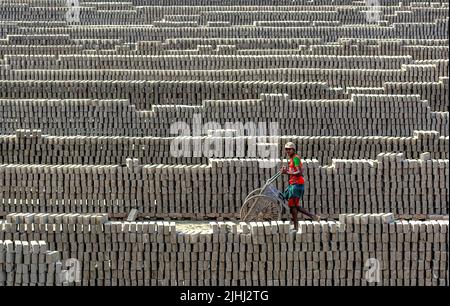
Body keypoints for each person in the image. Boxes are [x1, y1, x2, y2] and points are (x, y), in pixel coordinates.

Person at [281, 142, 320, 230]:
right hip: (293, 184)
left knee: (294, 206)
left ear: (293, 150)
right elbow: (293, 170)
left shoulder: (296, 159)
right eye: (286, 149)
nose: (287, 151)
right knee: (293, 206)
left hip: (297, 184)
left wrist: (286, 172)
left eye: (289, 149)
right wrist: (286, 169)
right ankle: (302, 222)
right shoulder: (292, 159)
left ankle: (311, 217)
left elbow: (299, 172)